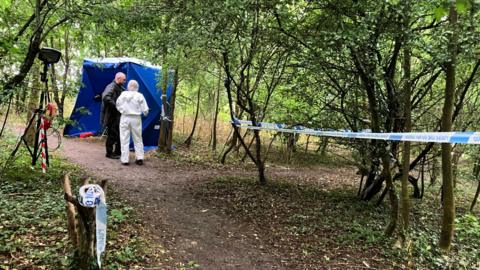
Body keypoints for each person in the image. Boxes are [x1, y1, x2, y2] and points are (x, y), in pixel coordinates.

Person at [115, 80, 149, 165]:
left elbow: (117, 104)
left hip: (125, 117)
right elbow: (145, 110)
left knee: (124, 138)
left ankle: (125, 160)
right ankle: (139, 158)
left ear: (128, 86)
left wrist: (122, 111)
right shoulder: (139, 95)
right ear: (137, 87)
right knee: (137, 138)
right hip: (136, 118)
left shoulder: (123, 94)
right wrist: (145, 113)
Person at [101, 72, 126, 159]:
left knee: (118, 133)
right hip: (111, 115)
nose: (125, 81)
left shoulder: (120, 87)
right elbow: (106, 97)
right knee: (112, 134)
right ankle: (109, 153)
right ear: (118, 78)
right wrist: (116, 106)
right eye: (124, 79)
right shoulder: (111, 86)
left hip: (117, 115)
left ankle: (117, 152)